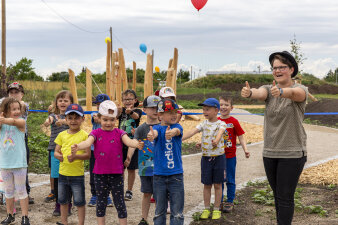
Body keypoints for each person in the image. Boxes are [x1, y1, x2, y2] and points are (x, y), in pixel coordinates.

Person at [241, 51, 308, 225]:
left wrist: (281, 91)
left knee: (285, 197)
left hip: (292, 153)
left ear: (291, 69)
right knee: (278, 196)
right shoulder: (268, 89)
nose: (277, 71)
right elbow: (260, 93)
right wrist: (250, 93)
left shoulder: (301, 89)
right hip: (270, 152)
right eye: (274, 68)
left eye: (282, 67)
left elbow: (295, 94)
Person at [71, 100, 144, 225]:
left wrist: (137, 144)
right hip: (99, 174)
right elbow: (88, 142)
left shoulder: (120, 132)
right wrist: (78, 146)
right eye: (105, 120)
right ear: (99, 119)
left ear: (116, 119)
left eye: (112, 120)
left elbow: (128, 141)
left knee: (119, 202)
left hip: (117, 174)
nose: (109, 123)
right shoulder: (95, 133)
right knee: (101, 202)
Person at [182, 98, 226, 220]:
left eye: (207, 109)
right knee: (207, 184)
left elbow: (220, 132)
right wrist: (180, 138)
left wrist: (216, 140)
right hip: (206, 159)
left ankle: (216, 209)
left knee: (218, 184)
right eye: (203, 109)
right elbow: (192, 131)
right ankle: (206, 208)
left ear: (216, 110)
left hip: (219, 158)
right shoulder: (203, 124)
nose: (204, 111)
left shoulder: (221, 123)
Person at [124, 95, 161, 225]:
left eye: (158, 107)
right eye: (152, 108)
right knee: (146, 194)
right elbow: (134, 143)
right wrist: (128, 157)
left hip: (161, 169)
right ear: (144, 109)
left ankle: (159, 219)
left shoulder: (163, 127)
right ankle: (144, 219)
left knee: (159, 196)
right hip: (146, 169)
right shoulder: (140, 129)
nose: (155, 110)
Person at [147, 98, 184, 225]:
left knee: (177, 213)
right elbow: (155, 133)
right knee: (159, 212)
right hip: (159, 177)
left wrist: (173, 132)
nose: (174, 115)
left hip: (176, 176)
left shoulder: (177, 126)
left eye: (175, 112)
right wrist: (152, 135)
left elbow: (177, 131)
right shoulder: (157, 128)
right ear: (160, 115)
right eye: (170, 112)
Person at [54, 104, 91, 225]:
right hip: (62, 174)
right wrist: (57, 155)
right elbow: (56, 151)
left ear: (82, 119)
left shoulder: (85, 135)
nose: (73, 121)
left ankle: (81, 223)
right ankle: (64, 222)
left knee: (80, 202)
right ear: (66, 119)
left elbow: (88, 155)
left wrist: (76, 156)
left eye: (77, 118)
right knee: (63, 201)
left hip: (77, 175)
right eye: (70, 118)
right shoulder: (62, 135)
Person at [0, 97, 31, 225]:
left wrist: (3, 119)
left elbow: (13, 121)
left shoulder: (21, 122)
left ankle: (25, 217)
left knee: (21, 190)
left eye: (18, 108)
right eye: (13, 109)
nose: (17, 111)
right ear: (5, 111)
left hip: (19, 163)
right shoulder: (1, 124)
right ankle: (10, 215)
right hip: (5, 163)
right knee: (8, 191)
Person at [43, 90, 73, 216]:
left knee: (68, 178)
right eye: (60, 100)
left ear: (71, 103)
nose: (62, 102)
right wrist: (47, 121)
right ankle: (58, 204)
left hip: (69, 151)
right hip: (54, 150)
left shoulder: (72, 117)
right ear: (56, 103)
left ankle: (68, 205)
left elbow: (76, 125)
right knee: (56, 178)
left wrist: (65, 122)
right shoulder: (54, 116)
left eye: (66, 100)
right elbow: (49, 119)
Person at [218, 96, 250, 213]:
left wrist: (245, 149)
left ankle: (229, 201)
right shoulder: (216, 121)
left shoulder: (234, 122)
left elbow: (241, 137)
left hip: (230, 156)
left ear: (231, 108)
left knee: (230, 179)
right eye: (221, 104)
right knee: (219, 179)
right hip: (218, 156)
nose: (223, 107)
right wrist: (201, 143)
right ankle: (219, 201)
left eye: (226, 105)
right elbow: (210, 135)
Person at [5, 82, 34, 205]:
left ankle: (25, 193)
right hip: (6, 139)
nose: (13, 94)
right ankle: (5, 194)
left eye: (16, 92)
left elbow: (21, 108)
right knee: (5, 167)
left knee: (22, 166)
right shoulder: (4, 106)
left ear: (22, 94)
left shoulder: (23, 105)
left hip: (21, 140)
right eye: (11, 92)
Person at [88, 94, 113, 208]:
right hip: (94, 150)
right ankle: (94, 194)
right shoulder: (95, 115)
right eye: (98, 105)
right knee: (94, 172)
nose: (100, 107)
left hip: (107, 149)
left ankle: (106, 195)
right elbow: (96, 118)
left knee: (106, 172)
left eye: (103, 105)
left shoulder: (112, 117)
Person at [118, 89, 142, 201]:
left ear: (135, 100)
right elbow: (115, 115)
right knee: (120, 168)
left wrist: (130, 112)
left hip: (132, 143)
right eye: (125, 99)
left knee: (131, 168)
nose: (127, 101)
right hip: (120, 143)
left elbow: (136, 117)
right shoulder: (121, 111)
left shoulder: (137, 110)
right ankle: (119, 188)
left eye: (130, 99)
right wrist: (118, 109)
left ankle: (129, 190)